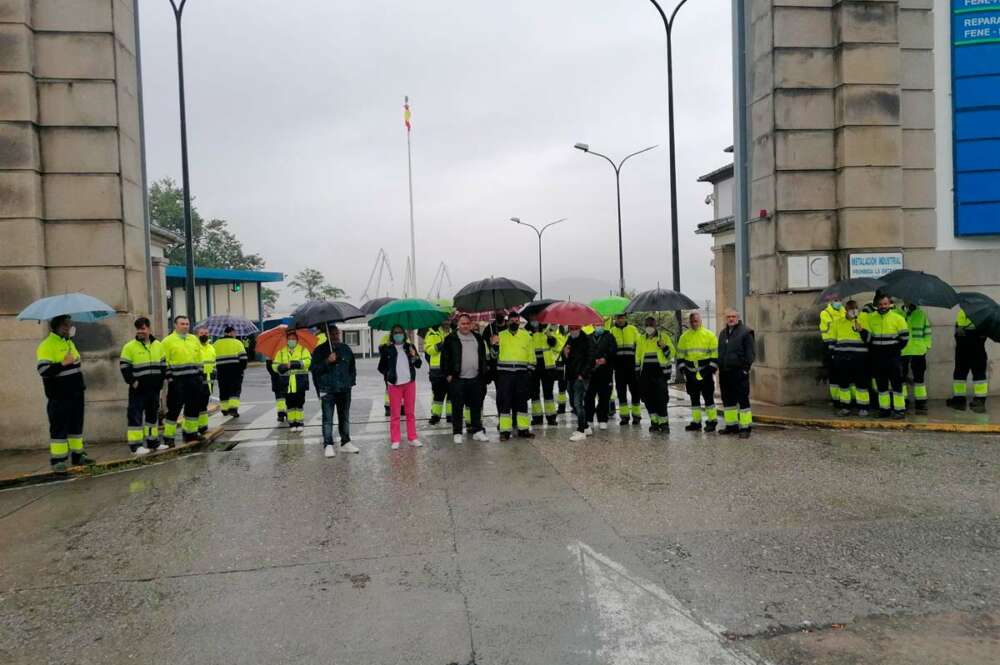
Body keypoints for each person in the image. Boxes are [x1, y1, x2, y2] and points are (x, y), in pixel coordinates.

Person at [36, 315, 92, 470]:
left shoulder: (69, 343)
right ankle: (58, 461)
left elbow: (76, 362)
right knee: (59, 427)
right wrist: (62, 363)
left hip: (76, 392)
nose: (68, 328)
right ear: (56, 327)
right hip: (59, 395)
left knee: (76, 426)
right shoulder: (46, 345)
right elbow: (43, 370)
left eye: (69, 325)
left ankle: (77, 455)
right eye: (65, 326)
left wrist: (71, 361)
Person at [440, 313, 492, 444]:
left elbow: (483, 358)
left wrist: (484, 374)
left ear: (471, 324)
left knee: (476, 406)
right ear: (458, 325)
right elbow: (444, 359)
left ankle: (477, 431)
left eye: (467, 323)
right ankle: (457, 432)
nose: (465, 326)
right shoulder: (450, 339)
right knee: (457, 406)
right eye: (463, 323)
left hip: (476, 379)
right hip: (458, 379)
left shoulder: (478, 338)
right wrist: (448, 375)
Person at [119, 316, 166, 455]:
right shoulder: (129, 346)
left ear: (149, 329)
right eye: (138, 329)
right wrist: (133, 381)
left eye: (143, 329)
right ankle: (135, 446)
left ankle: (153, 442)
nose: (140, 332)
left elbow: (163, 365)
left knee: (152, 416)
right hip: (138, 389)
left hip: (154, 388)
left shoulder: (158, 345)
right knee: (135, 416)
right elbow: (124, 366)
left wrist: (160, 381)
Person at [311, 324, 358, 457]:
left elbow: (352, 367)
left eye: (337, 334)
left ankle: (346, 442)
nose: (336, 336)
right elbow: (315, 370)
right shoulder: (319, 350)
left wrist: (350, 382)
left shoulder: (345, 349)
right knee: (327, 419)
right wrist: (327, 361)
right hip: (327, 389)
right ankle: (328, 444)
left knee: (344, 417)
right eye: (332, 334)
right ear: (326, 335)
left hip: (344, 389)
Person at [492, 310, 535, 440]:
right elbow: (494, 356)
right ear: (507, 321)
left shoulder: (526, 335)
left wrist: (530, 371)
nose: (514, 323)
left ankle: (523, 429)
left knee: (522, 402)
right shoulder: (500, 335)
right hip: (505, 374)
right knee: (505, 402)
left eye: (516, 321)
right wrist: (494, 345)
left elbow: (531, 354)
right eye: (512, 321)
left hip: (522, 374)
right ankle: (505, 431)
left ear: (519, 321)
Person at [378, 325, 423, 449]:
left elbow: (418, 364)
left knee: (410, 413)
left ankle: (412, 437)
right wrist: (389, 376)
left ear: (404, 334)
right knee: (395, 414)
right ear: (392, 335)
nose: (398, 335)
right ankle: (395, 439)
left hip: (409, 383)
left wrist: (414, 355)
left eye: (400, 332)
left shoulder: (410, 347)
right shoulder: (387, 349)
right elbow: (381, 367)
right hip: (394, 385)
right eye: (396, 333)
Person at [162, 315, 204, 444]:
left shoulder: (193, 339)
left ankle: (190, 433)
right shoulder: (167, 341)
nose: (185, 326)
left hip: (193, 379)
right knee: (174, 409)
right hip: (177, 380)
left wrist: (199, 375)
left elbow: (199, 358)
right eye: (182, 324)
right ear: (175, 325)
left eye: (187, 324)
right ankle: (169, 437)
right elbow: (164, 361)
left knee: (193, 407)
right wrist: (169, 378)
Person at [867, 295, 909, 419]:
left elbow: (905, 338)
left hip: (893, 358)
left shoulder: (898, 318)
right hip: (878, 358)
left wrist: (895, 350)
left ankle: (899, 410)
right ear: (877, 305)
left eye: (885, 304)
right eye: (880, 304)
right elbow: (868, 338)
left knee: (896, 385)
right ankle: (884, 410)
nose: (883, 307)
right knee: (881, 386)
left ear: (890, 304)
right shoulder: (871, 318)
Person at [677, 312, 719, 432]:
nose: (694, 323)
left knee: (708, 398)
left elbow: (715, 355)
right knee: (694, 399)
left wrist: (710, 370)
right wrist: (683, 370)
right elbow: (680, 355)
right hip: (690, 373)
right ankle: (696, 422)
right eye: (692, 321)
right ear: (689, 322)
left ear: (701, 321)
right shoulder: (684, 337)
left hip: (705, 372)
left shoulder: (709, 335)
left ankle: (712, 421)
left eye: (696, 321)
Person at [717, 309, 755, 438]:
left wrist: (745, 369)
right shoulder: (723, 333)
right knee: (728, 401)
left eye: (733, 316)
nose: (731, 319)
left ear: (738, 317)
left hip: (739, 372)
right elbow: (721, 352)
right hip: (725, 372)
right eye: (728, 317)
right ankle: (731, 426)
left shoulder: (746, 332)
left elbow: (750, 354)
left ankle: (745, 427)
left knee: (742, 400)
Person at [635, 316, 675, 434]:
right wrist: (637, 373)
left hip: (660, 374)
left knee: (661, 399)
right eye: (647, 325)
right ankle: (654, 422)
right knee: (648, 399)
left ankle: (664, 423)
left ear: (656, 325)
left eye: (651, 325)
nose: (649, 327)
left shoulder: (664, 337)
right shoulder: (641, 339)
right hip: (645, 375)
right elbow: (637, 357)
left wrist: (664, 347)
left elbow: (671, 354)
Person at [831, 300, 870, 417]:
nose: (854, 311)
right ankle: (845, 407)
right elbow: (833, 341)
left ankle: (863, 407)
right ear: (846, 310)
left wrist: (862, 330)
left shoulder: (863, 321)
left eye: (855, 308)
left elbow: (869, 339)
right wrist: (833, 356)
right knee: (843, 384)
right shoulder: (838, 323)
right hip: (842, 358)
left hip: (859, 359)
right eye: (851, 309)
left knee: (861, 384)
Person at [948, 308, 989, 413]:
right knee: (979, 375)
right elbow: (985, 335)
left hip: (963, 349)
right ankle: (980, 401)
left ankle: (959, 401)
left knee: (960, 374)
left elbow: (957, 333)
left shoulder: (962, 312)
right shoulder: (984, 315)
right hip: (978, 349)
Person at [560, 325, 595, 441]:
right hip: (570, 375)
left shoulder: (587, 340)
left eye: (575, 328)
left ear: (580, 328)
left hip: (581, 377)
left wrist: (583, 375)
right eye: (571, 328)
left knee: (578, 403)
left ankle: (581, 431)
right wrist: (564, 353)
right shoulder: (570, 339)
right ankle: (585, 426)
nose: (573, 331)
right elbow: (565, 358)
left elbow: (591, 359)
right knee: (573, 403)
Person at [272, 330, 311, 430]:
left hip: (300, 381)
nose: (291, 341)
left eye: (293, 339)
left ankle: (299, 422)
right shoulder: (281, 352)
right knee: (289, 403)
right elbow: (274, 365)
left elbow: (308, 362)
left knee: (299, 402)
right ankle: (292, 423)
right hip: (287, 382)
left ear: (297, 340)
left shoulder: (303, 350)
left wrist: (293, 364)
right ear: (286, 340)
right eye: (289, 339)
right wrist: (282, 367)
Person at [610, 313, 642, 425]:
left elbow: (639, 346)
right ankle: (624, 417)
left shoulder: (632, 329)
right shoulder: (612, 331)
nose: (620, 320)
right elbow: (610, 349)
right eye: (618, 318)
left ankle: (636, 416)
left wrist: (638, 363)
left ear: (625, 318)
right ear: (616, 318)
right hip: (619, 369)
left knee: (635, 392)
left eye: (622, 317)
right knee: (621, 393)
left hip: (632, 368)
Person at [901, 302, 932, 414]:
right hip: (902, 351)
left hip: (918, 351)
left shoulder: (921, 314)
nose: (908, 301)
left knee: (919, 378)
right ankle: (903, 400)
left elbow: (927, 331)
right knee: (901, 378)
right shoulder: (898, 313)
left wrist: (926, 346)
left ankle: (921, 402)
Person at [528, 317, 559, 426]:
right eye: (532, 319)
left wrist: (549, 336)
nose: (534, 322)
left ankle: (551, 418)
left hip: (547, 367)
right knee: (534, 394)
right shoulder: (527, 333)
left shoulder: (547, 331)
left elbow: (555, 345)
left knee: (548, 394)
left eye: (536, 319)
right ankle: (537, 418)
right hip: (533, 368)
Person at [587, 320, 617, 430]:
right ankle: (589, 419)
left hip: (606, 371)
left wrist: (605, 358)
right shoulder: (588, 338)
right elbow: (586, 353)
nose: (599, 327)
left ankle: (602, 419)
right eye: (596, 325)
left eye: (600, 325)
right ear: (593, 325)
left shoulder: (609, 337)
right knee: (589, 396)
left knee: (604, 396)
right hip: (592, 372)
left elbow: (613, 350)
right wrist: (592, 361)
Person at [213, 325, 248, 417]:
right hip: (235, 371)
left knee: (223, 390)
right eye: (234, 332)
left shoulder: (216, 343)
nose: (235, 334)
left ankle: (224, 409)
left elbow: (212, 358)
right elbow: (243, 358)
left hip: (221, 371)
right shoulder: (237, 343)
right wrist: (242, 369)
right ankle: (233, 409)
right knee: (235, 390)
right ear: (231, 333)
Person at [819, 297, 846, 407]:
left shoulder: (843, 311)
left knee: (844, 374)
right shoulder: (825, 313)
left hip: (842, 344)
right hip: (829, 346)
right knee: (834, 373)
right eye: (835, 300)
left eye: (838, 300)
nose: (838, 302)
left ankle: (845, 399)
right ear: (831, 302)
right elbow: (834, 325)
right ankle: (836, 399)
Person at [424, 319, 452, 425]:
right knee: (438, 395)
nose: (447, 322)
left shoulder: (454, 332)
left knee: (452, 395)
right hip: (437, 370)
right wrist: (442, 344)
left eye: (448, 319)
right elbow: (429, 350)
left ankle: (451, 416)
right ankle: (436, 415)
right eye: (444, 319)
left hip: (451, 369)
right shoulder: (432, 333)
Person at [195, 325, 216, 435]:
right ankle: (193, 428)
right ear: (197, 334)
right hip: (197, 379)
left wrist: (214, 374)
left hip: (208, 381)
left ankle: (203, 426)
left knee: (204, 404)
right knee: (195, 404)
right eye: (202, 333)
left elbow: (213, 363)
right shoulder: (195, 347)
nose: (204, 335)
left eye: (206, 333)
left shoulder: (211, 347)